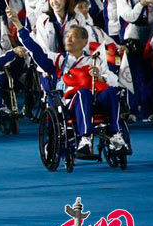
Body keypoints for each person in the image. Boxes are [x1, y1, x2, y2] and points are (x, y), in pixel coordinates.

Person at [10, 11, 127, 155]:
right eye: (67, 36)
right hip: (70, 103)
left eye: (73, 36)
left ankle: (115, 135)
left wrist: (100, 77)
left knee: (111, 91)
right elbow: (36, 51)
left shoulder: (95, 60)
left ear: (84, 42)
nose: (68, 39)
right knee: (83, 92)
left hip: (97, 100)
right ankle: (85, 138)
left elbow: (112, 81)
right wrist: (19, 26)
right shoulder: (58, 60)